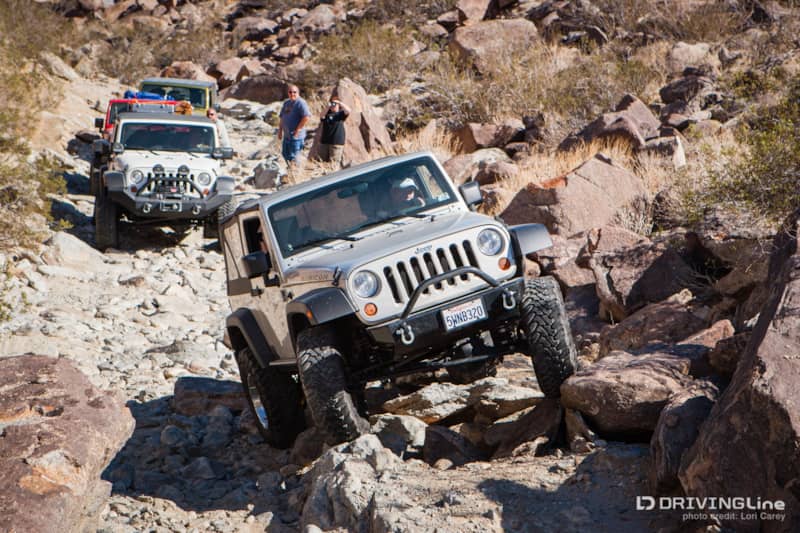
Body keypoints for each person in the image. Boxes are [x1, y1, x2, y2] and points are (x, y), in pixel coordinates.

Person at [278, 84, 311, 172]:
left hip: (296, 136)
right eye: (290, 92)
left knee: (295, 156)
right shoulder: (286, 103)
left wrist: (298, 129)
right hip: (287, 135)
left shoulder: (301, 103)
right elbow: (282, 117)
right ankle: (290, 169)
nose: (292, 94)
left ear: (298, 93)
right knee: (285, 154)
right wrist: (280, 131)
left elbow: (306, 117)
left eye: (294, 92)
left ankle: (296, 172)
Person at [317, 96, 350, 168]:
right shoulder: (326, 113)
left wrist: (339, 103)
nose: (333, 105)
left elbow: (348, 110)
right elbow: (321, 116)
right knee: (321, 162)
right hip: (325, 142)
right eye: (332, 103)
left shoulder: (340, 114)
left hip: (336, 143)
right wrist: (327, 107)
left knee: (334, 164)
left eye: (335, 104)